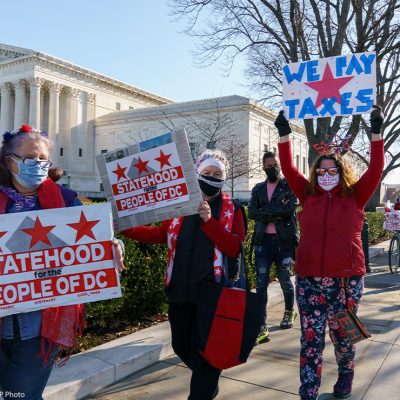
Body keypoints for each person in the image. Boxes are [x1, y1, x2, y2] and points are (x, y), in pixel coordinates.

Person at [0, 125, 124, 400]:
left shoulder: (67, 201)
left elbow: (95, 241)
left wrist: (113, 247)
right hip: (2, 323)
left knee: (19, 396)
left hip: (41, 326)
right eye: (30, 159)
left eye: (44, 160)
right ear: (9, 160)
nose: (39, 165)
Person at [274, 106, 384, 400]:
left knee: (342, 337)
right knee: (310, 339)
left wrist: (375, 132)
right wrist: (284, 136)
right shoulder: (307, 195)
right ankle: (308, 391)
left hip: (346, 281)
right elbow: (288, 169)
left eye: (332, 171)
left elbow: (375, 170)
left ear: (341, 173)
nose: (326, 175)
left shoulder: (356, 196)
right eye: (321, 171)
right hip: (310, 279)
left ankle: (346, 373)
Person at [122, 149, 245, 400]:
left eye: (217, 174)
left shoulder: (234, 209)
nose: (211, 177)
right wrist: (125, 228)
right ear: (196, 174)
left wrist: (210, 222)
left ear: (224, 178)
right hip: (180, 289)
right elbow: (160, 235)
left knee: (207, 351)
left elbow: (234, 248)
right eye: (206, 173)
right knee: (181, 346)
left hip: (212, 292)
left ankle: (203, 387)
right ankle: (208, 379)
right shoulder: (179, 204)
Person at [248, 151, 298, 344]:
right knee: (261, 284)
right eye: (268, 166)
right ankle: (261, 324)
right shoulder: (258, 189)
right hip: (263, 242)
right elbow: (252, 212)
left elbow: (289, 208)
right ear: (263, 167)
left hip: (284, 242)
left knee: (285, 279)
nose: (272, 168)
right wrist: (274, 213)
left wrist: (265, 211)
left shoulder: (288, 186)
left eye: (274, 165)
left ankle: (289, 311)